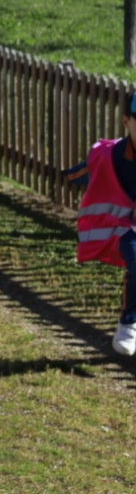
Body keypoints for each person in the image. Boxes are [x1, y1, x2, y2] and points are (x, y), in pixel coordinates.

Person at [66, 94, 136, 356]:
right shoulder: (113, 154)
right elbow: (89, 168)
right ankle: (129, 323)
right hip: (123, 228)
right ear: (126, 122)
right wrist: (73, 176)